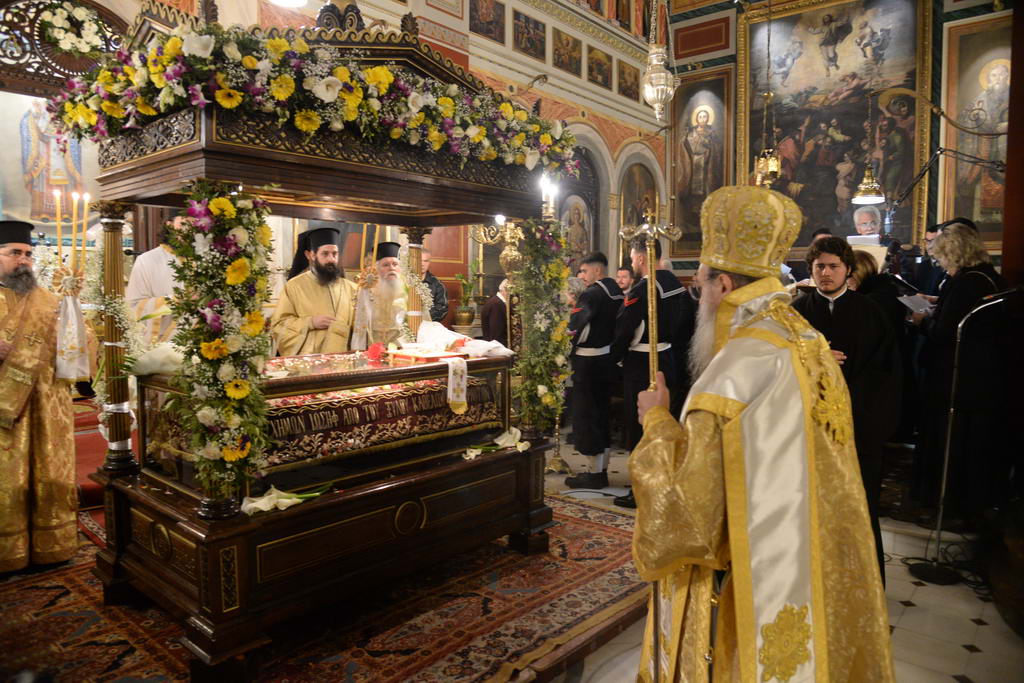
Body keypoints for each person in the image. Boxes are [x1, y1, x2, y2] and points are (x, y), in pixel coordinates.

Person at [629, 187, 894, 681]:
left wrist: (657, 422)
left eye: (702, 284)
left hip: (745, 581)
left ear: (725, 284)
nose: (700, 296)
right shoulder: (806, 339)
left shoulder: (732, 375)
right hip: (811, 559)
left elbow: (687, 520)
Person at [792, 236, 901, 583]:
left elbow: (885, 374)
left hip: (858, 428)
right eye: (819, 267)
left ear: (848, 269)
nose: (826, 273)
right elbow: (780, 365)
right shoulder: (795, 314)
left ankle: (862, 584)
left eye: (833, 266)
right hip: (808, 427)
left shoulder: (870, 312)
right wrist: (813, 358)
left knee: (858, 506)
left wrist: (862, 421)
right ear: (811, 270)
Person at [912, 223, 1009, 529]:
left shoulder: (966, 282)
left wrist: (921, 321)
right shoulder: (989, 276)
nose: (941, 264)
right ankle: (970, 506)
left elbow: (946, 333)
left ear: (954, 253)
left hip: (957, 378)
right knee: (974, 443)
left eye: (942, 257)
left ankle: (949, 505)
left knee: (953, 443)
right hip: (984, 376)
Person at [0, 221, 77, 572]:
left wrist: (72, 326)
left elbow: (78, 347)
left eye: (29, 254)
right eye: (14, 253)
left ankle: (52, 546)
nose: (24, 260)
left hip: (47, 404)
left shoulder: (49, 301)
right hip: (6, 410)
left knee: (47, 471)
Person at [610, 236, 693, 508]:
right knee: (664, 422)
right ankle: (663, 481)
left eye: (633, 260)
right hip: (668, 357)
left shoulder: (643, 288)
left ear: (641, 258)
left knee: (640, 425)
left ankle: (640, 489)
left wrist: (615, 357)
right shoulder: (674, 283)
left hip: (643, 361)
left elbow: (626, 328)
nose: (632, 264)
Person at [564, 253, 623, 490]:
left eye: (585, 271)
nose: (582, 276)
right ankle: (601, 468)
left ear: (597, 271)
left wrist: (563, 349)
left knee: (587, 416)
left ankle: (593, 473)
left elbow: (575, 329)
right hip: (607, 360)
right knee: (601, 414)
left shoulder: (591, 294)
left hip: (587, 363)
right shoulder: (616, 291)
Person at [271, 227, 358, 356]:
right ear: (311, 255)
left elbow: (362, 328)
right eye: (325, 254)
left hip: (345, 360)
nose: (331, 259)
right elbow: (279, 325)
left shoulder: (352, 288)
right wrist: (310, 322)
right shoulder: (294, 286)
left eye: (335, 254)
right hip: (311, 361)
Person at [352, 242, 407, 349]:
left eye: (395, 264)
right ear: (377, 268)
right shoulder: (367, 291)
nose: (391, 268)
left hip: (403, 349)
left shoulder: (410, 291)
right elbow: (360, 326)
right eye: (386, 265)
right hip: (373, 348)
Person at [419, 249, 449, 324]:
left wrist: (424, 318)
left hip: (429, 325)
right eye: (419, 260)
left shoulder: (437, 284)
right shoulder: (405, 281)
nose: (422, 264)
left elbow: (442, 308)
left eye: (425, 261)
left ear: (429, 262)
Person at [480, 279, 509, 347]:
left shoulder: (495, 301)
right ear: (505, 290)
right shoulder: (496, 304)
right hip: (497, 347)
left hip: (494, 345)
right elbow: (497, 331)